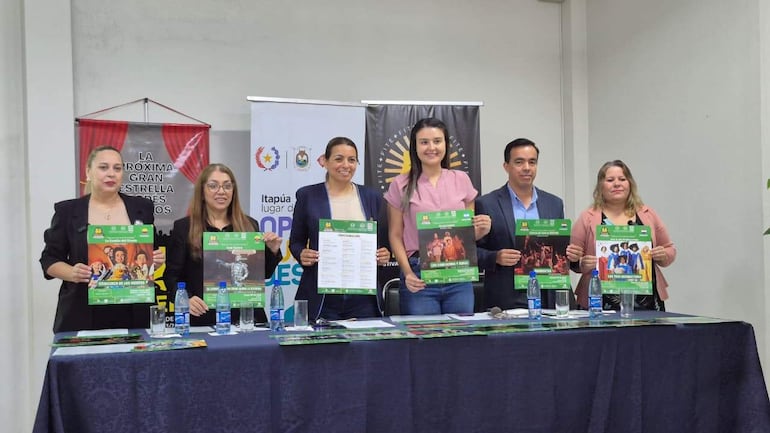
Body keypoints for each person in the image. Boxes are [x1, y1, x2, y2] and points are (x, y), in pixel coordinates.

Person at [40, 145, 165, 332]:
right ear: (88, 172)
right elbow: (49, 259)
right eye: (103, 167)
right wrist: (71, 273)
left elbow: (151, 249)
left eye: (117, 168)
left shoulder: (142, 208)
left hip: (134, 310)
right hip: (82, 311)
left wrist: (156, 258)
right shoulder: (68, 211)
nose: (111, 174)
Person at [384, 118, 491, 315]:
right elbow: (395, 235)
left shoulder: (461, 180)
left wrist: (482, 229)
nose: (431, 147)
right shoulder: (400, 184)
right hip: (419, 275)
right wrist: (407, 273)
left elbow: (466, 236)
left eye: (437, 141)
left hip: (458, 274)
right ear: (414, 147)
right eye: (424, 142)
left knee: (461, 339)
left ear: (445, 145)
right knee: (424, 340)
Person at [165, 163, 282, 326]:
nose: (221, 191)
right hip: (203, 318)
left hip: (246, 318)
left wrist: (272, 251)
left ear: (233, 191)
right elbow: (171, 277)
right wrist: (186, 298)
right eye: (213, 186)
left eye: (227, 186)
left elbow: (263, 274)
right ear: (202, 192)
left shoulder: (250, 225)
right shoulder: (184, 228)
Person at [290, 137, 391, 321]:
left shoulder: (372, 196)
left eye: (351, 160)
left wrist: (384, 254)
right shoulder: (308, 196)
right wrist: (301, 253)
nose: (346, 165)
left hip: (363, 298)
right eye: (338, 159)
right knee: (322, 348)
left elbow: (384, 244)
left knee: (365, 349)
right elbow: (295, 242)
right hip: (323, 296)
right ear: (324, 161)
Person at [475, 138, 582, 310]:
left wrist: (573, 256)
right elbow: (471, 253)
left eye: (532, 162)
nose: (526, 168)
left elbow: (560, 250)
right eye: (519, 162)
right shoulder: (487, 204)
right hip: (508, 297)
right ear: (506, 166)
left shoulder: (554, 203)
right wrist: (495, 257)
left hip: (550, 294)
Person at [570, 160, 676, 310]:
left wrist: (663, 254)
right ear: (601, 186)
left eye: (622, 179)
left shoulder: (648, 215)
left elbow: (670, 250)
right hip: (600, 300)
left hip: (646, 300)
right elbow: (571, 259)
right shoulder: (587, 217)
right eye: (610, 180)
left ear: (630, 183)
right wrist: (581, 264)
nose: (617, 184)